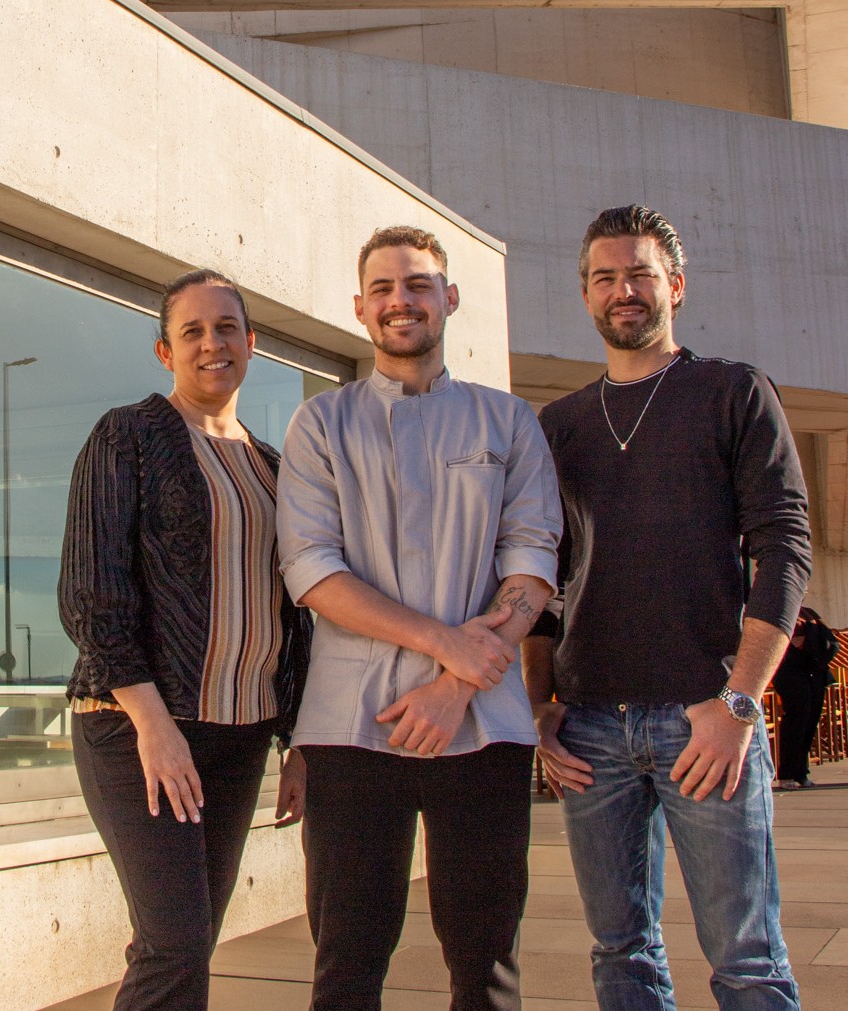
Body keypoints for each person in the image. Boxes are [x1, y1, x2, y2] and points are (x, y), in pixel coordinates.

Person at [524, 205, 813, 1010]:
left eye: (640, 274)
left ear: (674, 286)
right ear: (585, 294)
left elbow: (783, 548)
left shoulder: (730, 391)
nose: (623, 290)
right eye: (605, 277)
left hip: (704, 718)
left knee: (746, 959)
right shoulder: (561, 425)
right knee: (619, 952)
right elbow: (545, 580)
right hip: (588, 731)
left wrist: (738, 701)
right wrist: (538, 705)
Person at [277, 226, 561, 1010]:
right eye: (383, 288)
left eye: (418, 284)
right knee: (347, 957)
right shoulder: (321, 425)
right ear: (360, 308)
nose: (400, 300)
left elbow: (533, 562)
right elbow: (311, 569)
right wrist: (446, 648)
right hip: (349, 725)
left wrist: (454, 686)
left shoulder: (508, 422)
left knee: (485, 958)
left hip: (486, 724)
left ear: (450, 297)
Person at [58, 268, 311, 1011]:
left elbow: (295, 614)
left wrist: (295, 739)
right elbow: (90, 594)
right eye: (192, 331)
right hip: (139, 728)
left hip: (239, 735)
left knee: (188, 940)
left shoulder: (271, 465)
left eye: (225, 328)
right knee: (173, 944)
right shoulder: (127, 435)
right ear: (165, 352)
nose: (211, 343)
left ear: (251, 343)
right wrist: (152, 722)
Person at [774, 606, 839, 790]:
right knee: (797, 719)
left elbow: (829, 641)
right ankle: (787, 774)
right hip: (790, 671)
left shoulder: (809, 612)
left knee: (811, 719)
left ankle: (801, 772)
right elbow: (792, 640)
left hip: (814, 670)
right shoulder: (779, 609)